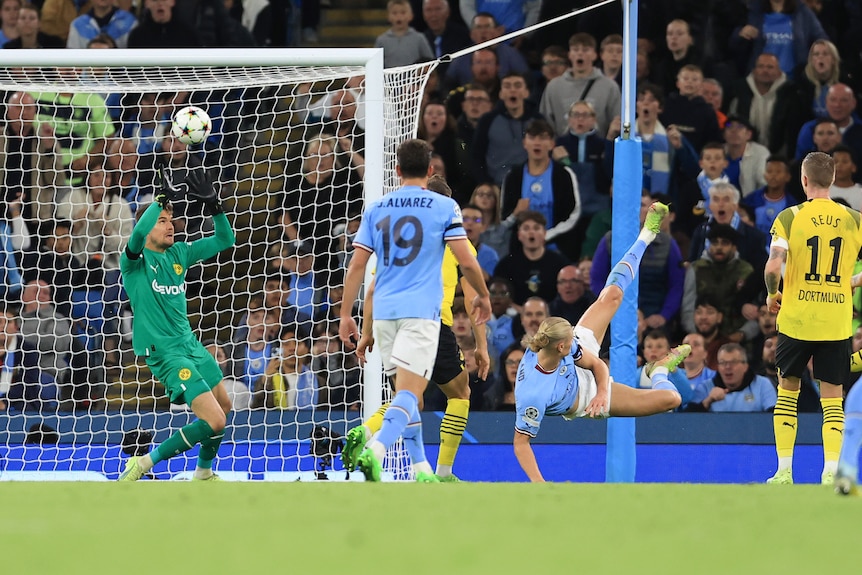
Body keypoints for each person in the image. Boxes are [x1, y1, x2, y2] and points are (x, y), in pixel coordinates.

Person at [338, 139, 491, 483]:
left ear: (396, 170)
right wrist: (483, 294)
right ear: (431, 169)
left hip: (384, 316)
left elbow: (358, 268)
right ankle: (374, 450)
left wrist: (348, 315)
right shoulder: (444, 208)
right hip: (422, 315)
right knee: (413, 395)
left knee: (408, 397)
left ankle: (421, 470)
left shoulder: (376, 209)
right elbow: (466, 260)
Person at [513, 201, 691, 482]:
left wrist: (602, 392)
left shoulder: (562, 343)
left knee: (611, 295)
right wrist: (540, 486)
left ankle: (646, 234)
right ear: (559, 347)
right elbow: (520, 444)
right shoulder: (533, 396)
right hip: (584, 398)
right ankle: (657, 372)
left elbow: (596, 364)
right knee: (671, 399)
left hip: (588, 379)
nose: (575, 336)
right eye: (570, 337)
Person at [116, 166, 237, 482]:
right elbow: (138, 234)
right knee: (214, 420)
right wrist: (161, 200)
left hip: (191, 345)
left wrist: (215, 205)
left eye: (171, 220)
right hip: (166, 354)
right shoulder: (134, 264)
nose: (170, 226)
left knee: (224, 406)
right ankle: (143, 463)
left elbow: (226, 239)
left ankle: (203, 473)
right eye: (162, 221)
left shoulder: (181, 252)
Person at [764, 151, 862, 486]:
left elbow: (774, 266)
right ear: (833, 180)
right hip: (835, 319)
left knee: (787, 393)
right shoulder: (854, 219)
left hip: (796, 319)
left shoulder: (789, 217)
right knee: (833, 398)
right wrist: (852, 282)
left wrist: (771, 293)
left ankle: (784, 470)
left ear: (803, 180)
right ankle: (831, 469)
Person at [375, 0, 434, 69]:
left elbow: (429, 61)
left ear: (411, 16)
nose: (399, 16)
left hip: (414, 79)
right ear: (389, 16)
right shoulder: (381, 40)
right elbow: (376, 66)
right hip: (390, 79)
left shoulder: (419, 38)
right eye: (394, 13)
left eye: (403, 13)